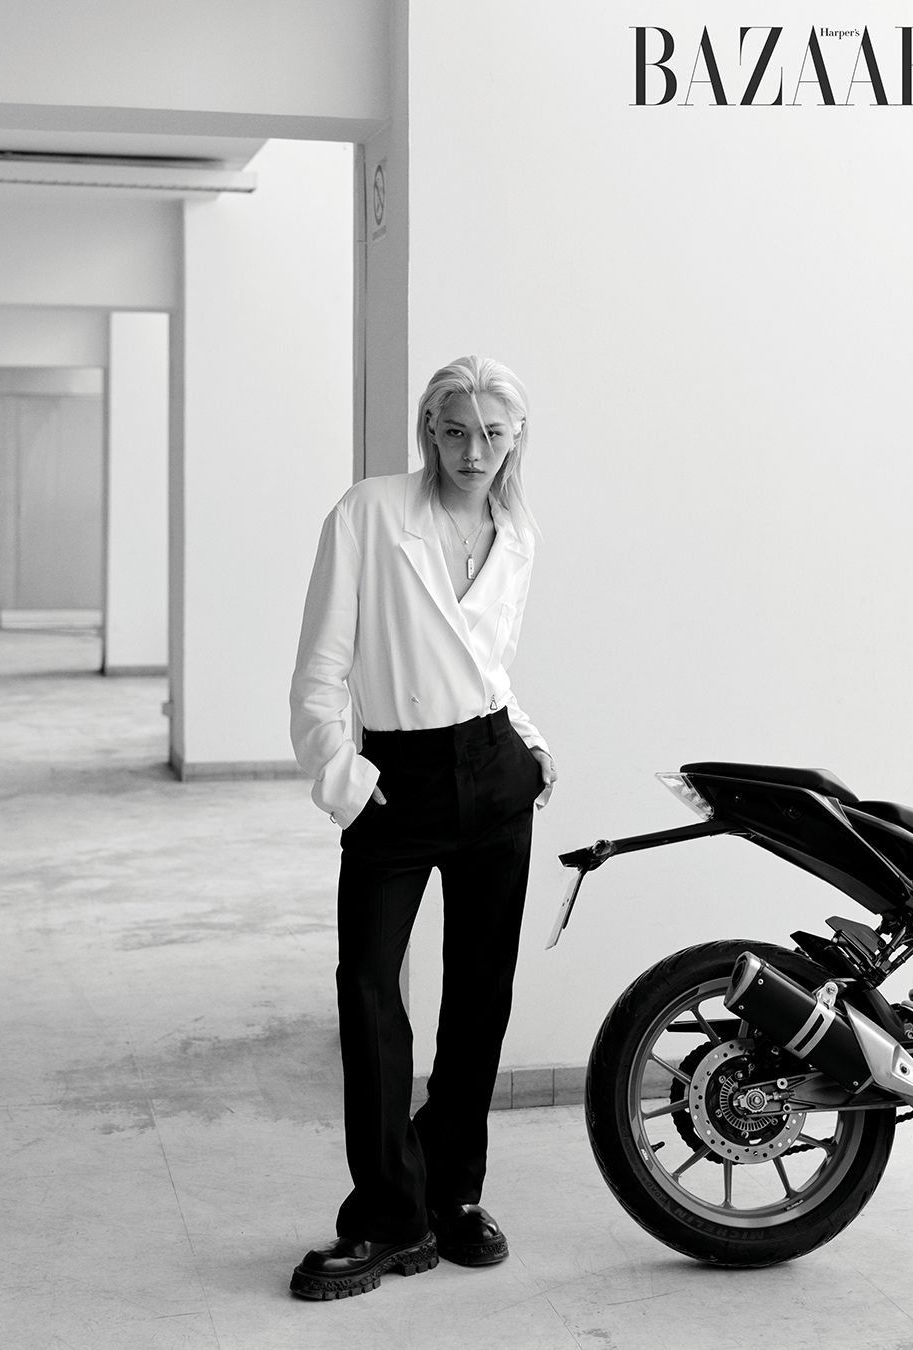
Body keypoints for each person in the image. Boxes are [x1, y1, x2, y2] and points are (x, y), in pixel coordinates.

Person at [288, 355, 555, 1301]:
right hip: (397, 784)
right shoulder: (368, 513)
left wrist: (531, 744)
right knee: (369, 990)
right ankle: (387, 1216)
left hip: (494, 775)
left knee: (480, 997)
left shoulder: (517, 533)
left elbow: (490, 664)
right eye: (453, 431)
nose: (472, 451)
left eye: (491, 433)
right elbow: (322, 667)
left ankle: (453, 1193)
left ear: (515, 438)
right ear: (428, 432)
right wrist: (345, 780)